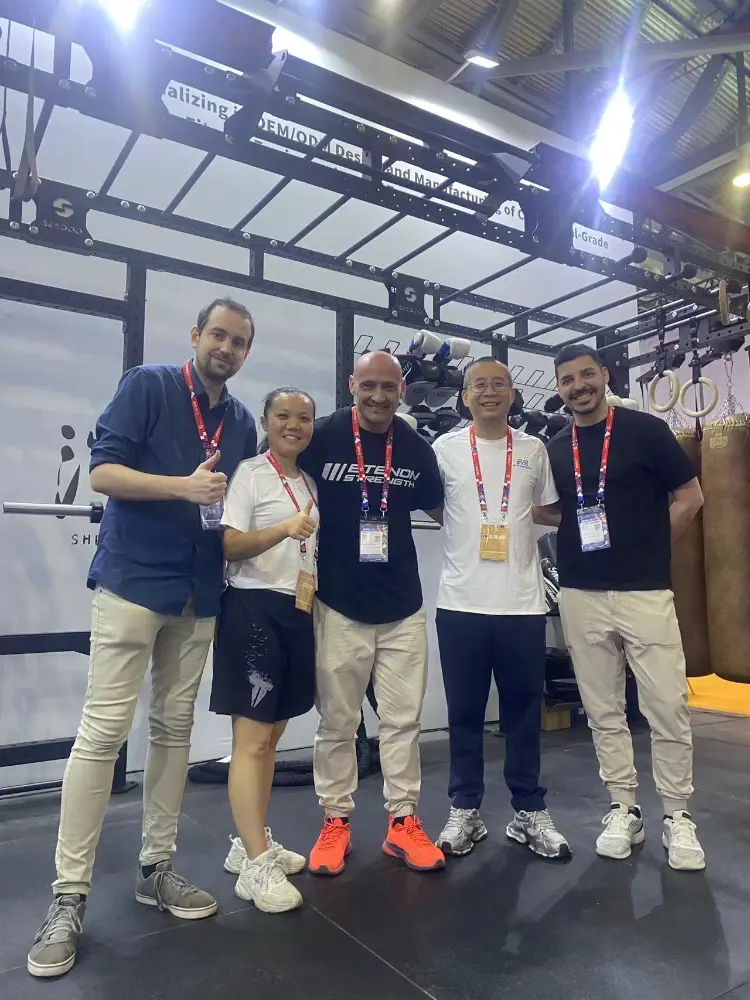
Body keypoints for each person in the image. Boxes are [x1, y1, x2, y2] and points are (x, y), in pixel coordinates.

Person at [28, 298, 257, 979]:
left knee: (174, 730)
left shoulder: (242, 422)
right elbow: (103, 473)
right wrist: (182, 487)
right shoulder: (149, 385)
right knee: (102, 733)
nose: (226, 348)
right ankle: (68, 896)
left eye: (238, 342)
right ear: (196, 335)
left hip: (198, 592)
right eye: (217, 335)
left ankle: (156, 868)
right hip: (133, 583)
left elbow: (234, 508)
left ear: (246, 353)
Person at [540, 344, 706, 871]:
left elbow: (692, 497)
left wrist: (652, 546)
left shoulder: (645, 430)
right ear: (560, 388)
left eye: (586, 375)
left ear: (605, 375)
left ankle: (677, 814)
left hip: (644, 591)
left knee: (667, 706)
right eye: (568, 380)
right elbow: (551, 510)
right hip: (581, 593)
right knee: (603, 711)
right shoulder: (555, 447)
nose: (579, 386)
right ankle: (623, 808)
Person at [298, 351, 446, 875]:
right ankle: (335, 820)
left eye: (388, 387)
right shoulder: (321, 436)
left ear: (403, 390)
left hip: (403, 606)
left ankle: (402, 822)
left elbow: (445, 511)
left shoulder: (415, 447)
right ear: (352, 385)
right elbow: (277, 480)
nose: (379, 396)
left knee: (403, 722)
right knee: (338, 723)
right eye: (369, 386)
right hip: (338, 604)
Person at [431, 358, 570, 860]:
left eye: (498, 384)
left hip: (521, 605)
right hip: (461, 604)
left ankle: (528, 809)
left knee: (524, 713)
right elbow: (437, 508)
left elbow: (548, 509)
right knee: (464, 713)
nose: (489, 392)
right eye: (479, 385)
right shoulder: (444, 449)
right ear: (464, 396)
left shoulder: (533, 450)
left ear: (513, 394)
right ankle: (465, 808)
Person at [211, 388, 318, 913]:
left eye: (304, 418)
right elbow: (228, 544)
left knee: (272, 738)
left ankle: (250, 842)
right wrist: (283, 529)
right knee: (251, 742)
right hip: (253, 608)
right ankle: (255, 863)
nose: (293, 425)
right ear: (266, 421)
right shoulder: (250, 473)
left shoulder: (309, 482)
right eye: (283, 416)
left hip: (297, 609)